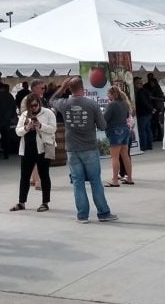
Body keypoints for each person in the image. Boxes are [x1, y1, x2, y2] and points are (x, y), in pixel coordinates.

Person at [50, 76, 119, 223]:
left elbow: (51, 101)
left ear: (69, 89)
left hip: (72, 148)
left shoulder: (64, 103)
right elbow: (103, 126)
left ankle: (82, 215)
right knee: (95, 181)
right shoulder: (91, 104)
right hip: (89, 147)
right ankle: (103, 213)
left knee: (77, 182)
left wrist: (61, 88)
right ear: (83, 88)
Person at [12, 93, 57, 212]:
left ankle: (45, 202)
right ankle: (21, 202)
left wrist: (40, 125)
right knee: (24, 177)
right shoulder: (25, 115)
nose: (33, 108)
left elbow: (53, 128)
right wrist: (27, 128)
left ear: (39, 103)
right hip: (27, 148)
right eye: (30, 106)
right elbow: (18, 131)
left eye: (35, 105)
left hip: (42, 148)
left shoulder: (48, 113)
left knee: (44, 175)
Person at [103, 86, 134, 187]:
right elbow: (126, 116)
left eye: (108, 94)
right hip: (125, 129)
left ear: (112, 94)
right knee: (125, 155)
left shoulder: (112, 104)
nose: (107, 96)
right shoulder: (125, 103)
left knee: (115, 157)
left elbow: (105, 118)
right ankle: (129, 178)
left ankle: (115, 180)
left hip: (115, 130)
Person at [0, 83, 18, 159]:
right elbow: (14, 108)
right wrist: (12, 117)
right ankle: (6, 154)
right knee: (6, 137)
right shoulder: (10, 96)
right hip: (7, 120)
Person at [133, 77, 154, 151]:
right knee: (148, 129)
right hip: (148, 113)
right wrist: (151, 109)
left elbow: (143, 102)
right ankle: (149, 145)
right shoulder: (146, 91)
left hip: (143, 113)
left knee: (142, 130)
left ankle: (144, 145)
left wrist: (151, 108)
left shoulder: (140, 92)